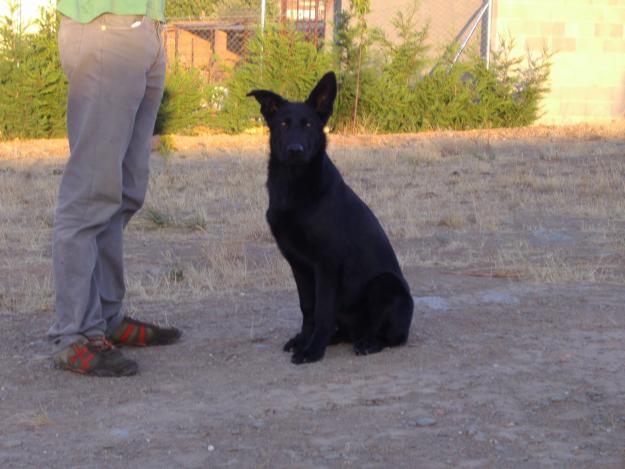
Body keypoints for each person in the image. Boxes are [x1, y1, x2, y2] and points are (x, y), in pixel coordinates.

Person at [49, 0, 181, 377]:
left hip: (148, 29)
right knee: (90, 192)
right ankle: (72, 333)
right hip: (105, 26)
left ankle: (105, 317)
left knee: (125, 190)